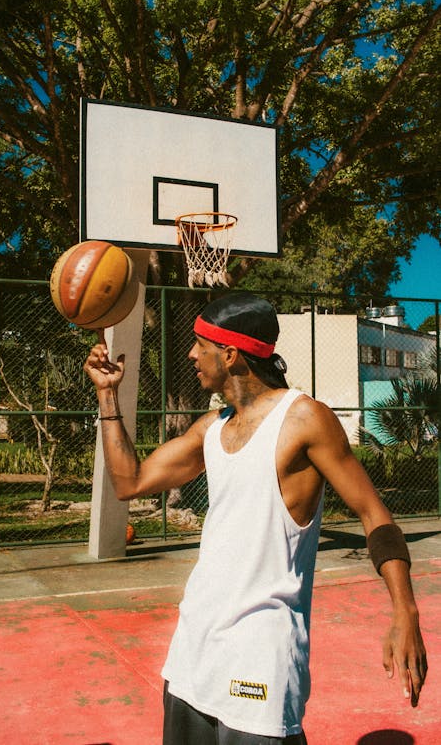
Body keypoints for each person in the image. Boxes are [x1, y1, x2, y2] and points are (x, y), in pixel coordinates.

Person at [84, 292, 427, 745]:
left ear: (229, 354)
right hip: (195, 646)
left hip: (260, 652)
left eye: (199, 345)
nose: (190, 355)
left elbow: (374, 515)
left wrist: (405, 612)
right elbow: (130, 480)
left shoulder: (304, 419)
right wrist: (108, 396)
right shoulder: (211, 428)